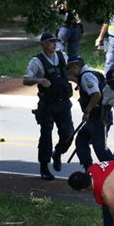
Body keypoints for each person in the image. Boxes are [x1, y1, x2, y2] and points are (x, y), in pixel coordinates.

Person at [23, 32, 74, 180]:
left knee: (68, 133)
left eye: (55, 42)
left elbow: (70, 72)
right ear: (44, 44)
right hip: (47, 104)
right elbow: (26, 80)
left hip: (63, 103)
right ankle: (44, 167)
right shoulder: (36, 61)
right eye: (51, 42)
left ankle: (57, 153)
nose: (54, 44)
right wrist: (39, 80)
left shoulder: (62, 56)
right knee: (46, 135)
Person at [67, 56, 114, 170]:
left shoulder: (86, 77)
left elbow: (96, 95)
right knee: (81, 139)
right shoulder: (90, 73)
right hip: (98, 117)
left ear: (76, 66)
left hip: (99, 118)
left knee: (101, 149)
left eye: (70, 69)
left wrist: (87, 111)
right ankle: (89, 169)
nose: (70, 71)